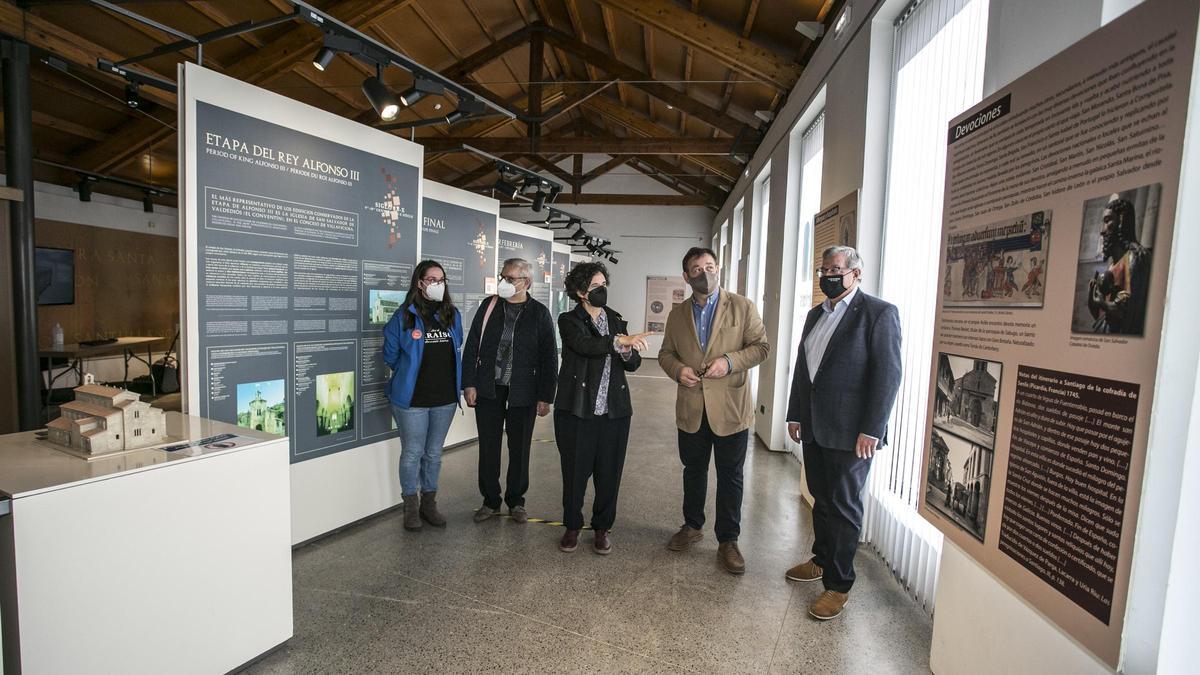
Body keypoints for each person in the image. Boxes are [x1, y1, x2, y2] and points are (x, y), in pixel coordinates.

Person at [784, 245, 902, 621]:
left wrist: (872, 428)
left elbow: (888, 375)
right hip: (816, 426)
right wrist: (795, 413)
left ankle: (838, 585)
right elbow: (804, 369)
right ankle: (821, 560)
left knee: (845, 505)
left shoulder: (879, 314)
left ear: (856, 273)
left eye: (836, 269)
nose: (828, 275)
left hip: (853, 434)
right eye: (823, 269)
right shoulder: (815, 313)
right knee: (821, 497)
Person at [658, 247, 769, 575]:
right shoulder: (677, 314)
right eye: (696, 268)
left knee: (731, 475)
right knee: (693, 470)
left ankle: (728, 540)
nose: (704, 272)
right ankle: (692, 526)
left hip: (730, 407)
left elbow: (761, 347)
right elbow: (665, 353)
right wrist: (678, 370)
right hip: (692, 407)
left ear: (718, 268)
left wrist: (729, 362)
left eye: (709, 266)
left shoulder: (742, 306)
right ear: (686, 276)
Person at [554, 262, 650, 554]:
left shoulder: (616, 319)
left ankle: (602, 528)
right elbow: (585, 346)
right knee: (575, 472)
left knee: (610, 473)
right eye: (595, 286)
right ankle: (572, 525)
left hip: (614, 412)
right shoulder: (568, 320)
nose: (602, 290)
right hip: (578, 410)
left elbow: (633, 364)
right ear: (581, 292)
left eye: (603, 284)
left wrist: (626, 348)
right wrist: (618, 341)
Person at [462, 258, 558, 523]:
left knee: (520, 448)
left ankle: (516, 501)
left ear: (526, 282)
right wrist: (469, 383)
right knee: (489, 447)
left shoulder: (539, 312)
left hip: (524, 391)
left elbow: (549, 356)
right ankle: (490, 500)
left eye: (510, 278)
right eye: (502, 276)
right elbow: (472, 346)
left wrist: (546, 396)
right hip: (489, 389)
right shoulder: (489, 306)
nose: (503, 282)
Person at [383, 260, 464, 532]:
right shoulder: (403, 317)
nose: (437, 284)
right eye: (431, 279)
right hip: (412, 400)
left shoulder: (452, 315)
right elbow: (391, 355)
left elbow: (458, 345)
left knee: (433, 453)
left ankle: (429, 503)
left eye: (441, 280)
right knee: (413, 452)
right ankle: (410, 505)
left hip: (444, 398)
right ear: (419, 282)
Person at [1087, 196, 1151, 334]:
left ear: (1121, 221)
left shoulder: (1134, 257)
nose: (1102, 231)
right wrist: (1092, 297)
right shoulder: (1112, 265)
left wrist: (1101, 302)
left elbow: (1127, 311)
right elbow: (1100, 315)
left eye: (1107, 221)